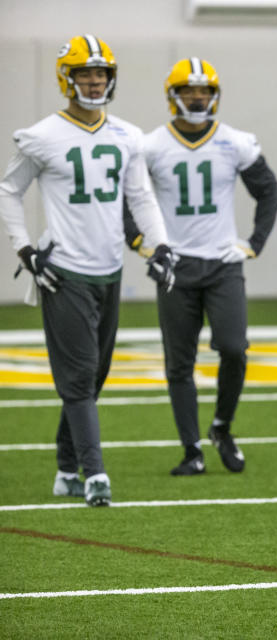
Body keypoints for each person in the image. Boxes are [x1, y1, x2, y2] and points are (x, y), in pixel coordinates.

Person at [0, 34, 174, 506]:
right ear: (67, 78)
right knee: (78, 378)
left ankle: (63, 469)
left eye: (101, 74)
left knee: (92, 377)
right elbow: (8, 190)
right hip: (64, 271)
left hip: (110, 269)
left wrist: (159, 246)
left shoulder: (127, 136)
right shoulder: (41, 136)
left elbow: (139, 197)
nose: (94, 82)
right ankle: (95, 474)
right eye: (84, 74)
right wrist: (23, 249)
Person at [124, 57, 277, 476]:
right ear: (172, 95)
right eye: (190, 90)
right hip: (174, 265)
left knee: (234, 348)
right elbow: (127, 199)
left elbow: (269, 192)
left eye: (205, 90)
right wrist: (142, 244)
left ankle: (221, 428)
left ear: (215, 95)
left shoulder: (236, 141)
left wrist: (253, 244)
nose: (198, 97)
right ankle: (191, 449)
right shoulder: (150, 145)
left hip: (222, 264)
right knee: (179, 362)